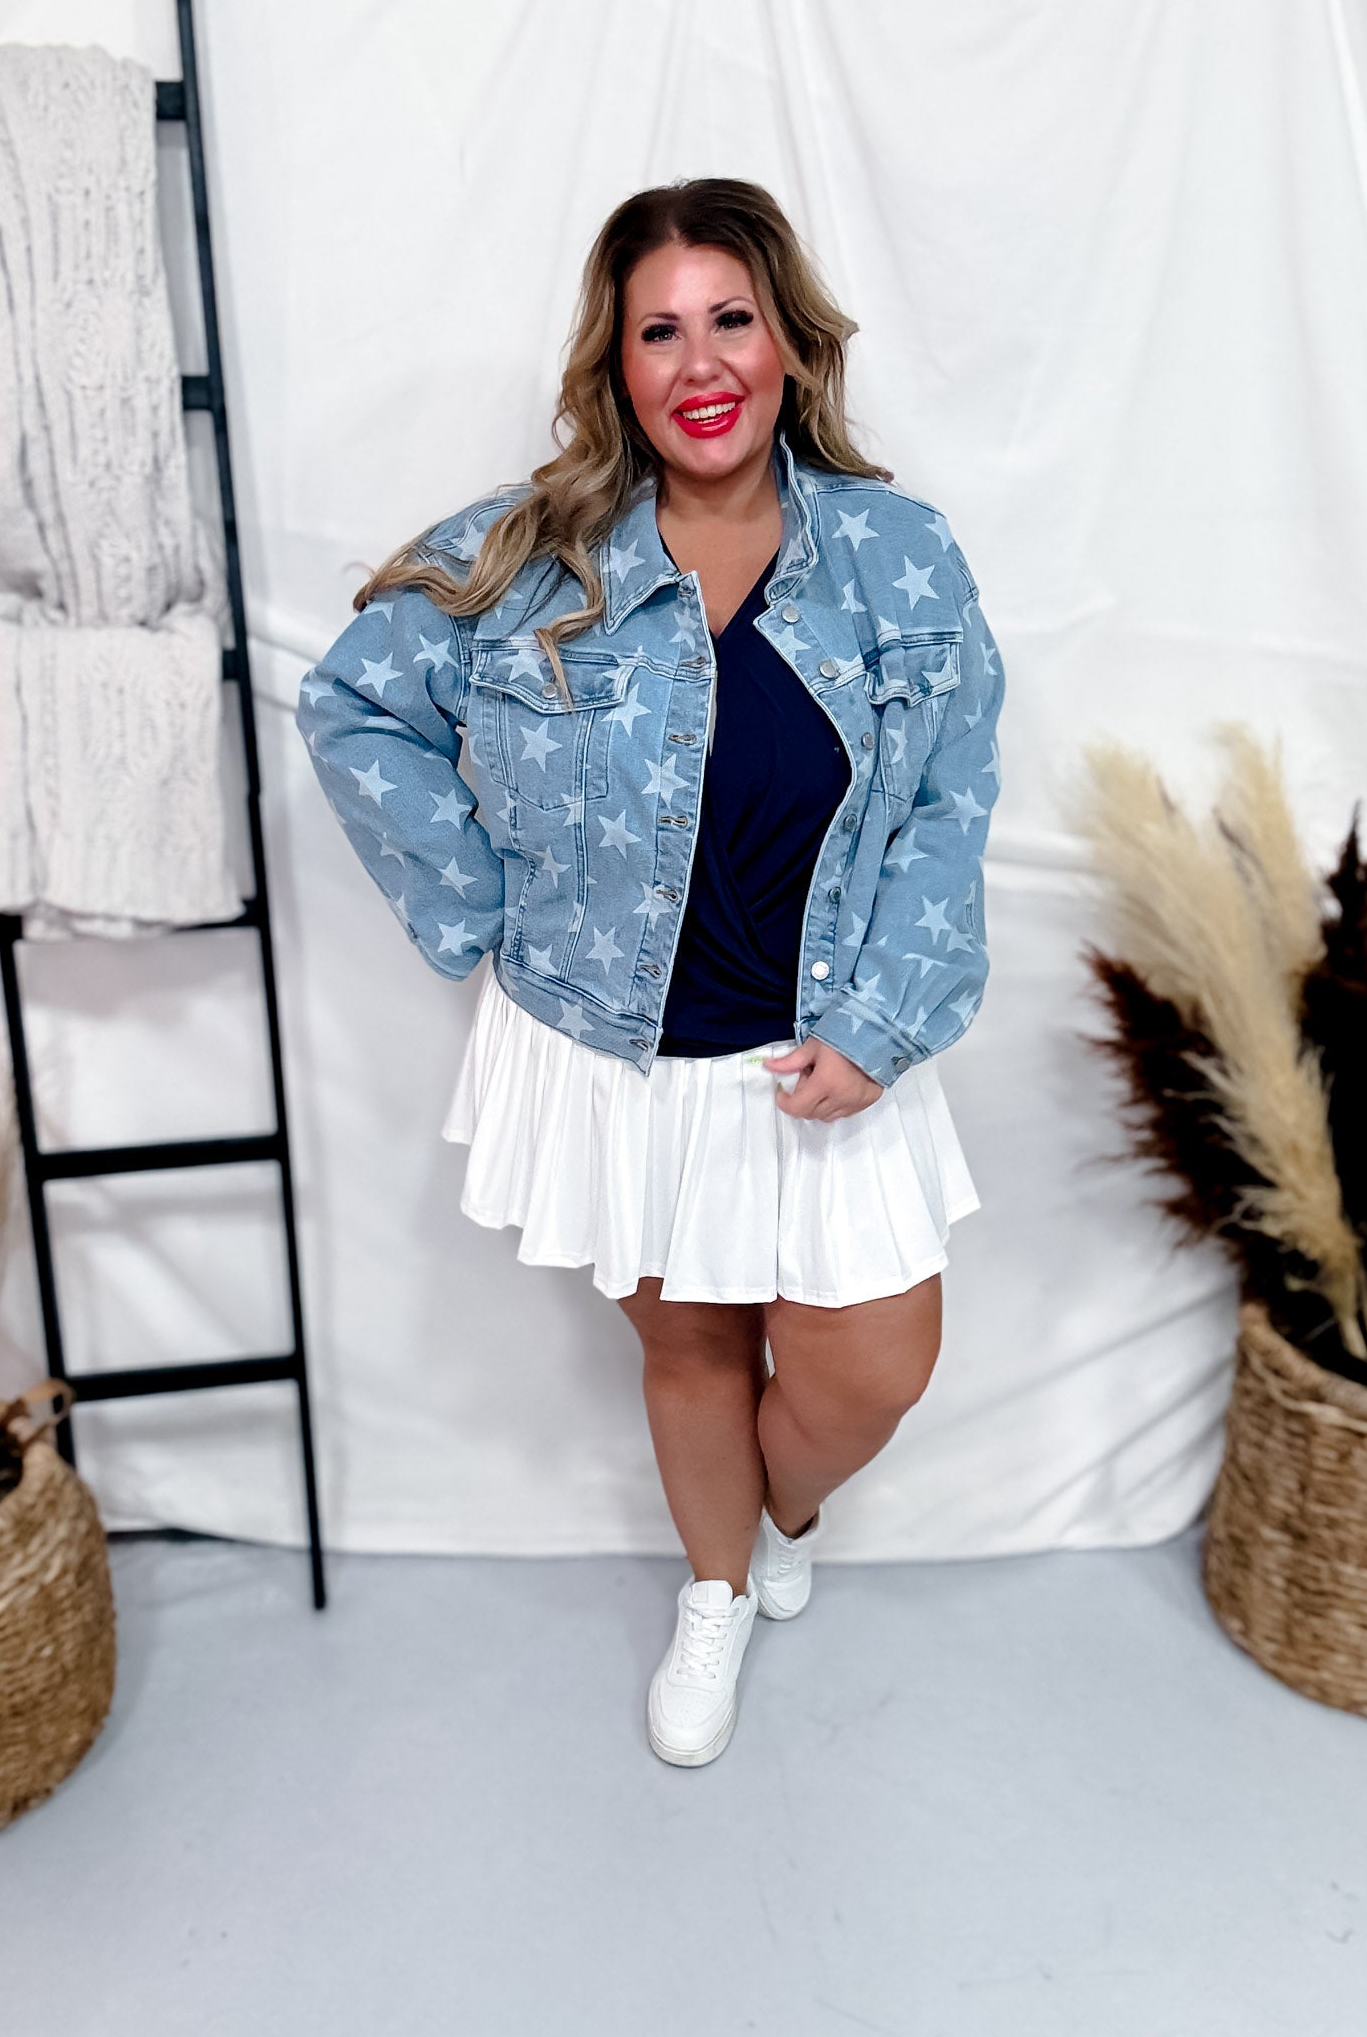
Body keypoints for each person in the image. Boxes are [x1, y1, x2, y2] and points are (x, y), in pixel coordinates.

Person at [297, 178, 1005, 1768]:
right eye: (659, 331)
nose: (701, 362)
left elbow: (951, 806)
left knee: (870, 1369)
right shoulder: (529, 555)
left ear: (789, 344)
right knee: (690, 1349)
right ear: (617, 367)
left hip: (828, 1048)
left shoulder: (895, 558)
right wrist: (483, 912)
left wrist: (883, 1024)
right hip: (616, 1053)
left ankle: (781, 1511)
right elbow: (352, 702)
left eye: (731, 319)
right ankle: (716, 1586)